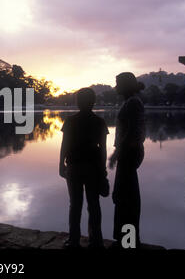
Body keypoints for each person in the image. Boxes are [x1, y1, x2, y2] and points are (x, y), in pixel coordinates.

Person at [59, 88, 109, 249]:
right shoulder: (99, 122)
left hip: (74, 166)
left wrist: (61, 164)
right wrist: (103, 169)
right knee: (94, 204)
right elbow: (103, 149)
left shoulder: (71, 121)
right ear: (93, 102)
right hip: (93, 167)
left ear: (78, 102)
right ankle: (96, 240)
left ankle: (74, 240)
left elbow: (65, 145)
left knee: (75, 204)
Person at [108, 72, 146, 248]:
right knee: (125, 196)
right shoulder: (132, 101)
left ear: (125, 85)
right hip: (129, 152)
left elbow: (131, 132)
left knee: (126, 197)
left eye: (117, 83)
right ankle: (127, 240)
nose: (115, 86)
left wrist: (117, 153)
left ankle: (129, 242)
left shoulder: (132, 103)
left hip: (129, 153)